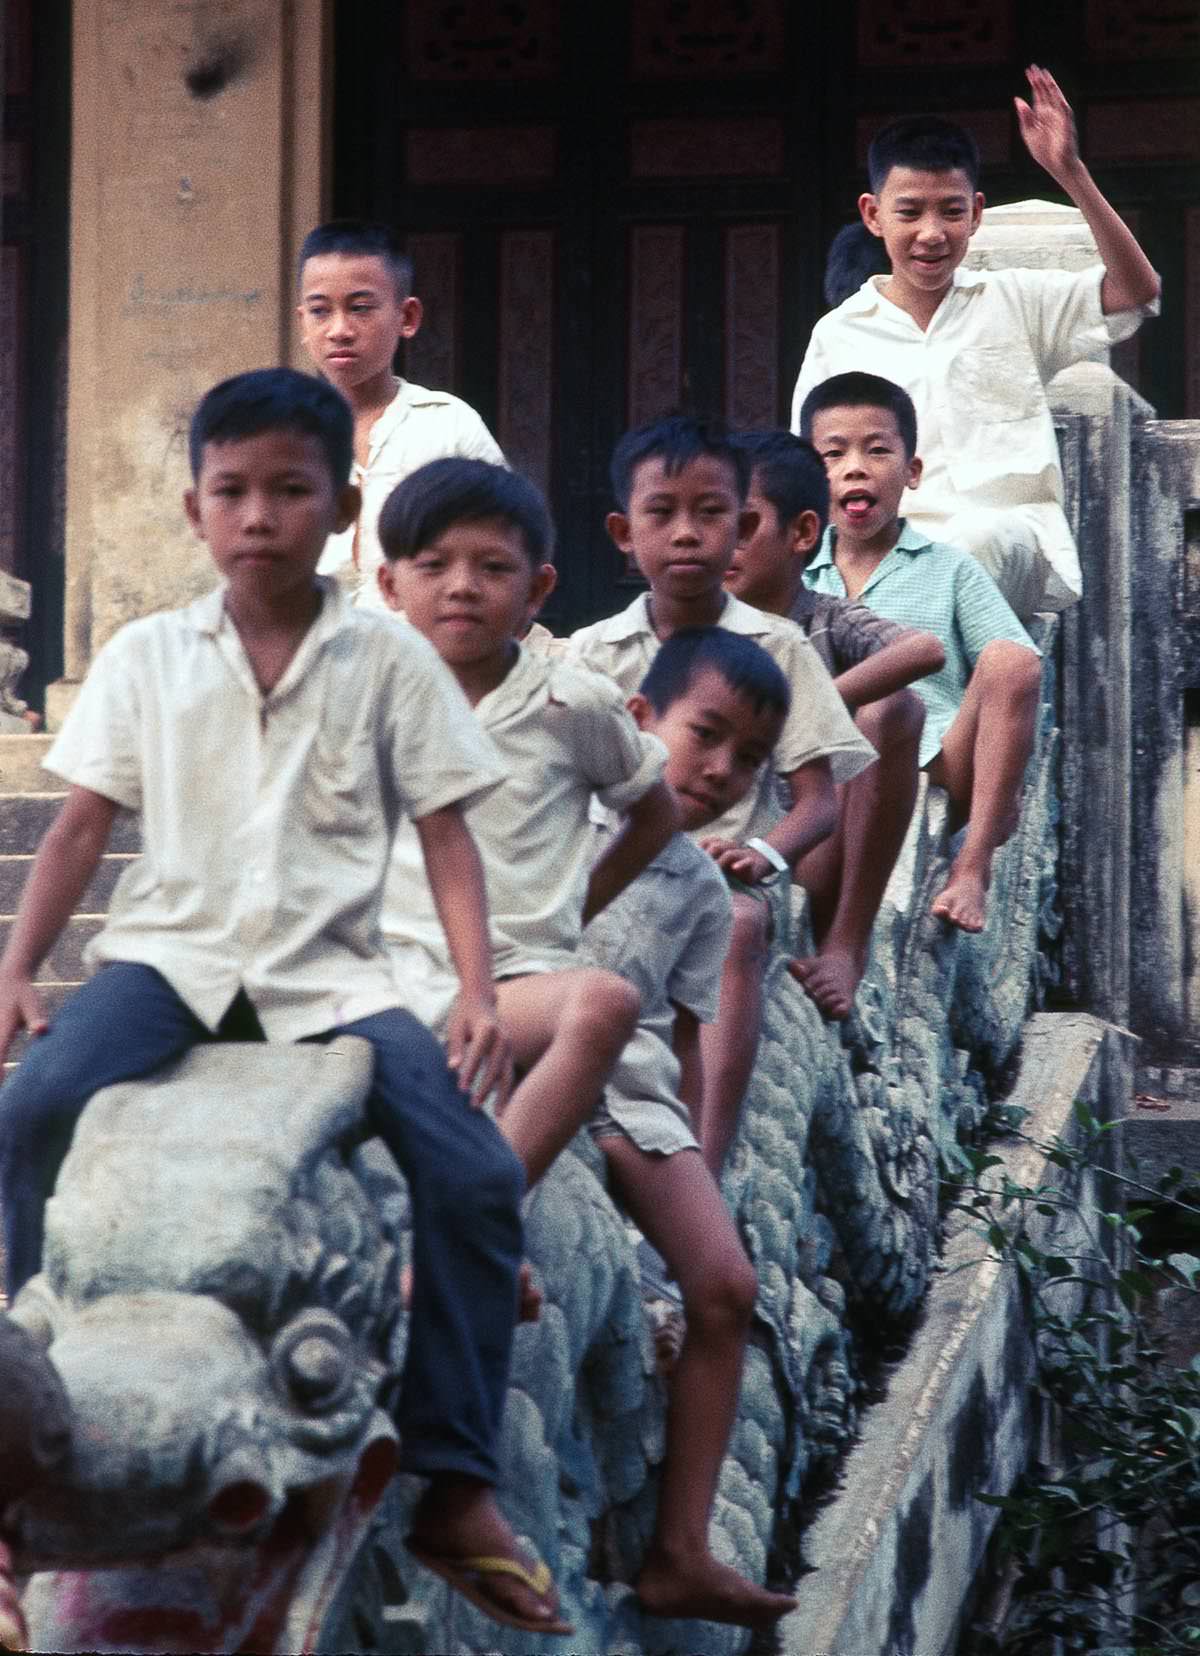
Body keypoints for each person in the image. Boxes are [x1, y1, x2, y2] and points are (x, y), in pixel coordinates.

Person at [0, 368, 571, 1639]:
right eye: (232, 491)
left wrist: (477, 992)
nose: (259, 515)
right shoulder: (147, 655)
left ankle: (457, 1486)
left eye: (289, 490)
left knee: (474, 1178)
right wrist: (16, 968)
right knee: (30, 1110)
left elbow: (446, 832)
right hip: (168, 966)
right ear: (196, 509)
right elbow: (81, 826)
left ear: (342, 505)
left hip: (334, 980)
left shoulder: (386, 659)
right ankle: (23, 1441)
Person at [566, 414, 876, 1175]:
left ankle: (708, 1163)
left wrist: (760, 853)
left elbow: (818, 800)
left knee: (733, 924)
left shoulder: (779, 645)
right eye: (660, 514)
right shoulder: (591, 654)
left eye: (710, 515)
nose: (685, 535)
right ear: (621, 532)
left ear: (741, 527)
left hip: (726, 873)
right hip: (610, 867)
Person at [376, 456, 678, 1189]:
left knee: (604, 1001)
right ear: (390, 584)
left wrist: (579, 902)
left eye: (492, 568)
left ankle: (480, 1213)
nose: (461, 587)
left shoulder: (572, 704)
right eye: (433, 564)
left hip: (516, 986)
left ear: (538, 588)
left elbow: (654, 813)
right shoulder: (365, 700)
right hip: (388, 978)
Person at [579, 628, 797, 1631]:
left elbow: (690, 1038)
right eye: (703, 735)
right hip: (539, 1078)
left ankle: (680, 1549)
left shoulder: (704, 888)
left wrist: (698, 1160)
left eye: (749, 758)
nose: (721, 770)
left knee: (726, 1286)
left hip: (637, 1108)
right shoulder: (561, 824)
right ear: (639, 722)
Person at [791, 70, 1160, 619]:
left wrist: (1070, 172)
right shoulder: (839, 334)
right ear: (873, 215)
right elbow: (806, 460)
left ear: (978, 214)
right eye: (910, 212)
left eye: (952, 211)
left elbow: (1136, 290)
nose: (932, 233)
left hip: (1006, 542)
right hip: (880, 548)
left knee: (965, 551)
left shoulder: (1015, 302)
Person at [799, 371, 1043, 935]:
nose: (855, 466)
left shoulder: (948, 566)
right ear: (810, 478)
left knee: (1013, 660)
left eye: (877, 450)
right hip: (831, 772)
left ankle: (972, 864)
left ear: (911, 473)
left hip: (938, 758)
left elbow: (1013, 666)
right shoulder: (795, 574)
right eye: (833, 454)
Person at [725, 429, 945, 1018]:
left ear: (801, 534)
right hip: (710, 835)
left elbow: (923, 650)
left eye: (744, 524)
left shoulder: (823, 620)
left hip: (806, 843)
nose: (724, 543)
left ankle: (847, 946)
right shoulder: (690, 626)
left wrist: (807, 703)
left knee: (898, 709)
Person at [297, 219, 503, 612]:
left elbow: (503, 549)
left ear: (407, 317)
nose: (339, 330)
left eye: (360, 308)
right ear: (302, 323)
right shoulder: (282, 438)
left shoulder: (448, 427)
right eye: (320, 311)